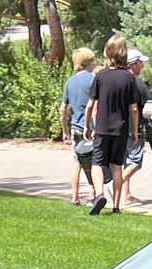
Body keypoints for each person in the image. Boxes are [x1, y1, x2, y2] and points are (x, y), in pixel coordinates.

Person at [83, 34, 146, 215]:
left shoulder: (100, 75)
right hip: (121, 129)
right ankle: (117, 206)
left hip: (102, 128)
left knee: (97, 163)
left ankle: (99, 194)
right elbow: (134, 108)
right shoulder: (129, 78)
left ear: (108, 52)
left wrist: (88, 126)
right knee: (117, 166)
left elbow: (90, 105)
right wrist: (134, 131)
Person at [60, 48, 98, 206]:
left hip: (75, 127)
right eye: (93, 61)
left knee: (78, 163)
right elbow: (96, 105)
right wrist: (95, 126)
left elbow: (62, 109)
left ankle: (74, 197)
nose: (95, 64)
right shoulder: (93, 79)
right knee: (96, 163)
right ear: (87, 62)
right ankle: (92, 196)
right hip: (90, 128)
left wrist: (65, 132)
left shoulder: (70, 82)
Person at [121, 49, 148, 207]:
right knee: (135, 162)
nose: (142, 66)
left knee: (126, 162)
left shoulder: (121, 80)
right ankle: (119, 183)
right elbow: (140, 107)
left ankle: (126, 195)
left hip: (121, 127)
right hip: (134, 129)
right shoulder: (137, 84)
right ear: (133, 64)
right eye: (140, 63)